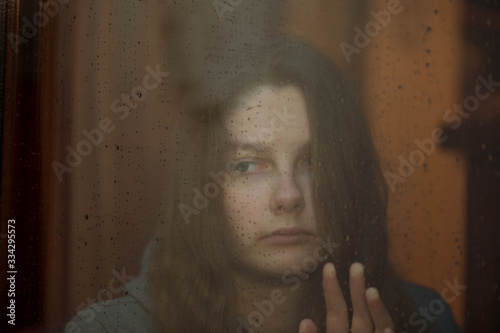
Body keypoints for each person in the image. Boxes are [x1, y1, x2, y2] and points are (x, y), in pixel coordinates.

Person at [68, 38, 461, 333]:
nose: (288, 196)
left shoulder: (425, 319)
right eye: (247, 165)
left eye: (313, 161)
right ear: (201, 191)